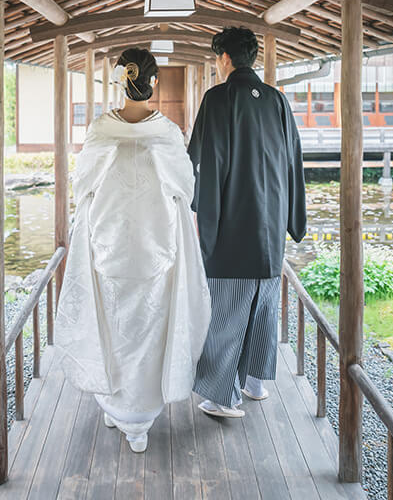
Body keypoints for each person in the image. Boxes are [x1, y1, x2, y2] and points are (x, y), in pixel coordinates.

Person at [55, 48, 212, 453]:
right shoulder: (168, 132)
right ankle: (139, 415)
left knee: (111, 326)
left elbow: (83, 187)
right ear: (153, 83)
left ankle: (113, 402)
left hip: (108, 244)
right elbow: (184, 191)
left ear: (120, 81)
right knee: (151, 329)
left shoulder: (100, 129)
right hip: (156, 246)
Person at [189, 27, 306, 418]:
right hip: (270, 228)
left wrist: (200, 214)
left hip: (232, 226)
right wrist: (293, 218)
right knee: (263, 306)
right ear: (251, 57)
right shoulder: (276, 100)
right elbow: (294, 162)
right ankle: (255, 383)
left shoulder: (218, 98)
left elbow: (203, 159)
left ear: (224, 58)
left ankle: (224, 397)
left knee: (227, 311)